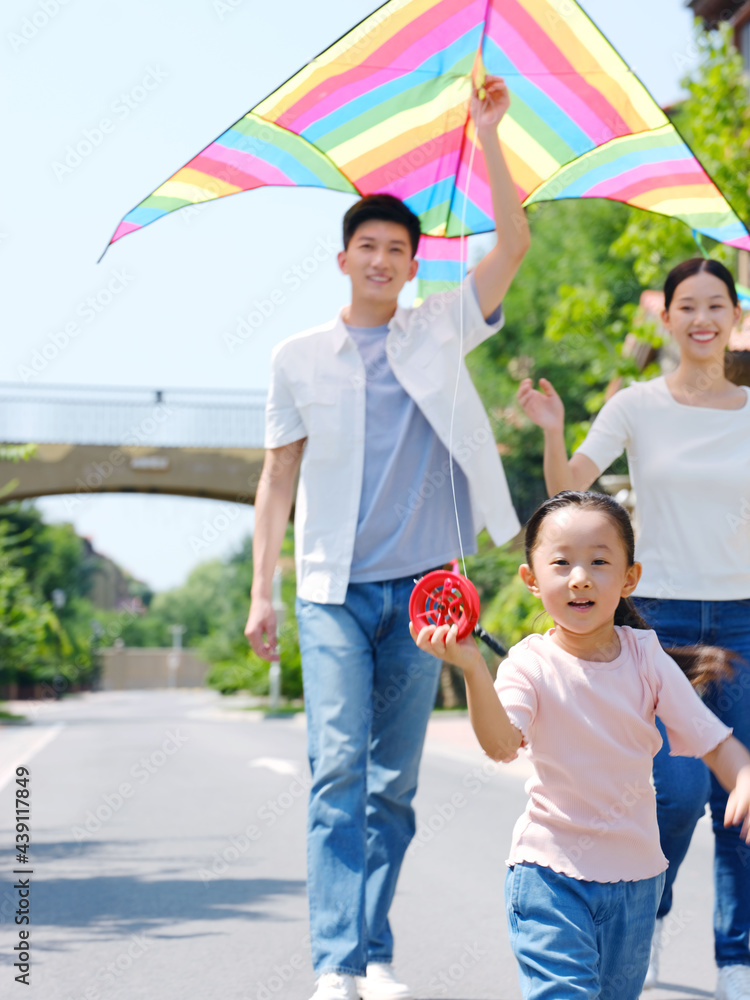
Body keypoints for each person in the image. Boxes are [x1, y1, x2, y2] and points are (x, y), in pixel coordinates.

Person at [244, 75, 530, 1000]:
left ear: (414, 265)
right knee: (336, 772)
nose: (380, 260)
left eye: (396, 249)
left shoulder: (440, 330)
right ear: (343, 260)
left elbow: (515, 242)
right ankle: (335, 963)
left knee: (392, 787)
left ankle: (368, 950)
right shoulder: (295, 357)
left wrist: (488, 137)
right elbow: (276, 479)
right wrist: (261, 593)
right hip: (330, 592)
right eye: (365, 246)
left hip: (423, 596)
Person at [516, 257, 750, 999]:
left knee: (739, 800)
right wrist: (554, 431)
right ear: (667, 318)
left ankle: (736, 959)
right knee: (675, 793)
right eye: (688, 306)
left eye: (717, 305)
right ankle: (644, 918)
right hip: (666, 620)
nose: (702, 318)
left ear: (735, 318)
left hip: (746, 618)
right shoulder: (637, 405)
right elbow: (569, 493)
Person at [412, 490, 750, 1000]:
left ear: (629, 577)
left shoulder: (647, 657)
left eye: (599, 561)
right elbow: (503, 744)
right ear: (531, 579)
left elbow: (712, 738)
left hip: (638, 883)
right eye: (561, 562)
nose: (580, 577)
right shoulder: (527, 665)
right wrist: (472, 668)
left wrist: (743, 775)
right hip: (549, 877)